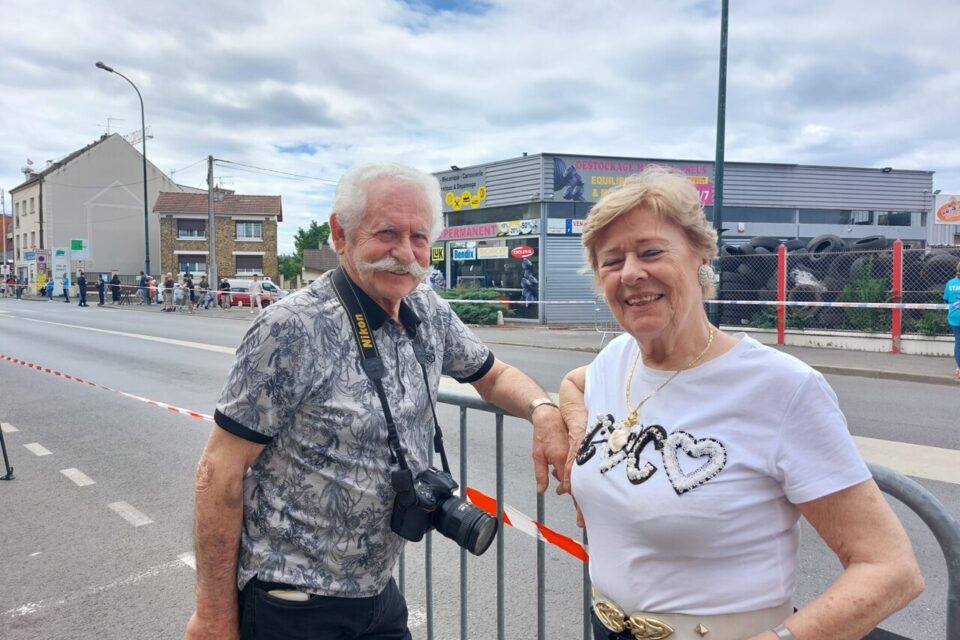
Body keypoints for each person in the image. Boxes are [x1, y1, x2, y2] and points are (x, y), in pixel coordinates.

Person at [184, 163, 568, 640]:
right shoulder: (289, 328)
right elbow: (217, 474)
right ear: (340, 235)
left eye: (419, 237)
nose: (405, 253)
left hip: (377, 596)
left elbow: (493, 375)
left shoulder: (426, 308)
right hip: (294, 603)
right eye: (387, 232)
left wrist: (543, 409)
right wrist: (213, 617)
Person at [557, 167, 923, 640]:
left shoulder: (782, 388)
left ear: (700, 255)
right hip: (606, 626)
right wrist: (562, 422)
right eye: (611, 260)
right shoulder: (613, 360)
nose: (631, 272)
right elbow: (573, 382)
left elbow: (892, 569)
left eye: (651, 251)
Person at [944, 259, 960, 380]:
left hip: (954, 316)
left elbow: (946, 299)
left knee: (958, 342)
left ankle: (959, 368)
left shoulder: (950, 283)